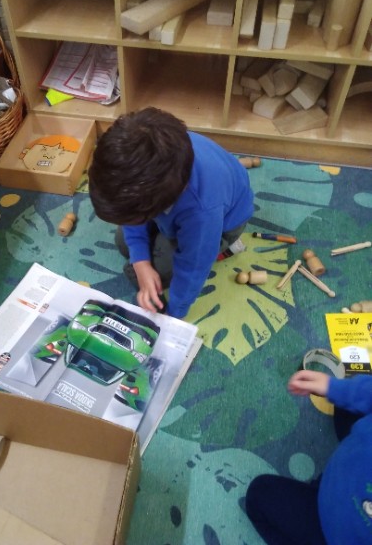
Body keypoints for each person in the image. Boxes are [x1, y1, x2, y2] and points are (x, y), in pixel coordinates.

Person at [88, 107, 254, 319]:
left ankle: (224, 246)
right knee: (124, 243)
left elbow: (193, 267)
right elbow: (132, 210)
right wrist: (140, 262)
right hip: (168, 202)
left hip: (223, 224)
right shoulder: (155, 153)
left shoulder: (201, 212)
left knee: (165, 268)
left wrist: (174, 314)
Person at [245, 369, 372, 545]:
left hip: (333, 530)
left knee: (259, 494)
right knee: (348, 400)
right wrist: (333, 387)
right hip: (346, 469)